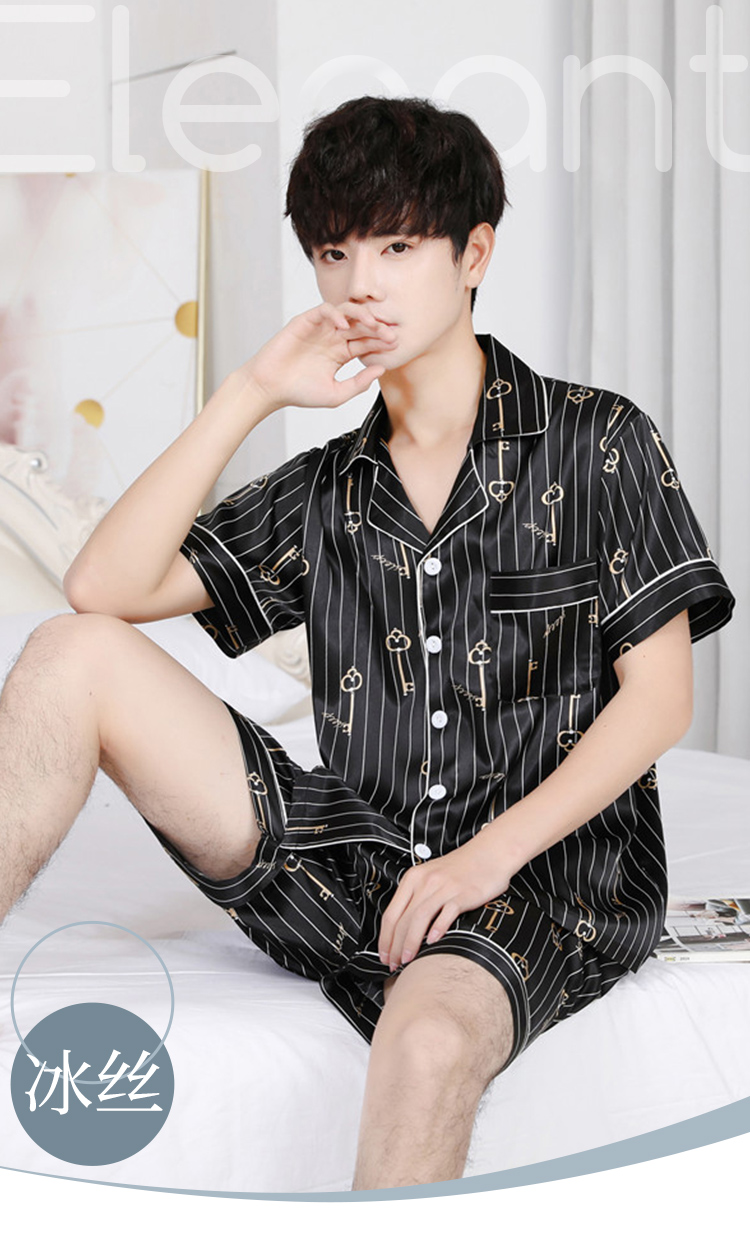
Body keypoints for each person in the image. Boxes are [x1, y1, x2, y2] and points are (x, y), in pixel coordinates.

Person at [0, 95, 735, 1190]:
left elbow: (662, 698)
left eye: (396, 247)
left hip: (537, 884)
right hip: (355, 859)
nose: (359, 285)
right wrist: (252, 391)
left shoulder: (600, 441)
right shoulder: (327, 489)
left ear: (473, 254)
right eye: (334, 253)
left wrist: (483, 858)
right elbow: (103, 588)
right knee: (70, 651)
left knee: (428, 1036)